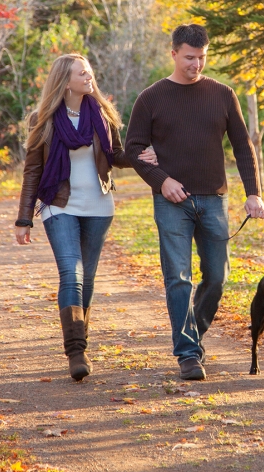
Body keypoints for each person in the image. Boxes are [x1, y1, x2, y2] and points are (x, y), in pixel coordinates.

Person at [125, 24, 264, 381]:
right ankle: (188, 354)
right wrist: (162, 181)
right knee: (178, 279)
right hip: (171, 202)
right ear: (173, 53)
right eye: (189, 57)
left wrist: (254, 193)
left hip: (214, 200)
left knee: (217, 276)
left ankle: (193, 335)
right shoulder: (151, 97)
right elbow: (133, 151)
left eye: (202, 57)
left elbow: (242, 146)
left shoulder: (222, 94)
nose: (196, 64)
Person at [14, 53, 157, 381]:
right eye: (83, 73)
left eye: (90, 72)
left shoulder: (102, 112)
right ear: (65, 80)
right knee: (72, 273)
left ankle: (82, 342)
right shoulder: (44, 118)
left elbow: (116, 156)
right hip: (59, 204)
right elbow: (33, 169)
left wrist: (140, 158)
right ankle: (75, 350)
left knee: (87, 278)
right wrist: (24, 218)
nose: (89, 77)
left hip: (99, 206)